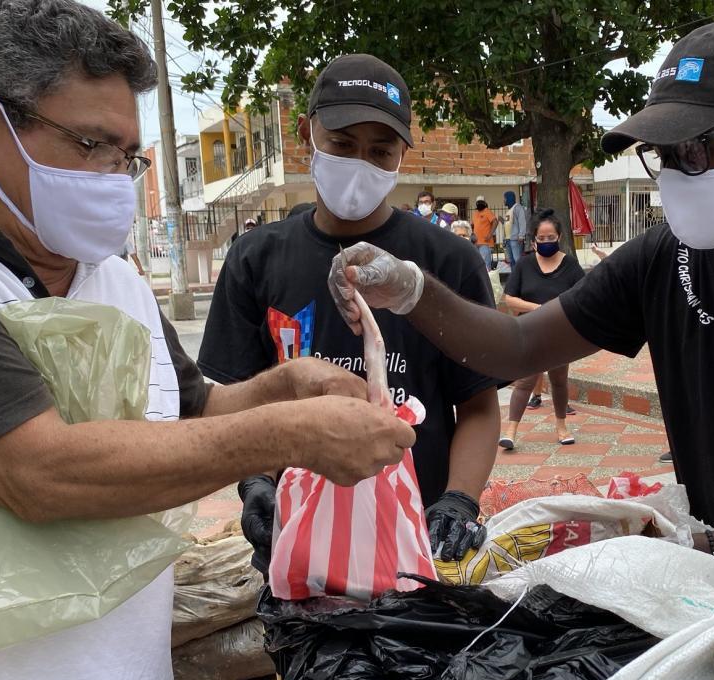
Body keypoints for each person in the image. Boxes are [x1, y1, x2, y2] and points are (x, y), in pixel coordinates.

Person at [0, 2, 414, 680]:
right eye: (93, 145)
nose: (114, 178)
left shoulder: (113, 275)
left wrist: (285, 385)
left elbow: (195, 408)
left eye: (127, 157)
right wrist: (288, 434)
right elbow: (37, 472)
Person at [330, 19, 714, 580]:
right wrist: (410, 290)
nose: (676, 173)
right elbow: (518, 345)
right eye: (664, 155)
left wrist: (704, 547)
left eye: (697, 150)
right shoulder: (666, 257)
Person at [199, 54, 501, 572]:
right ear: (306, 133)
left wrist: (458, 500)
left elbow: (477, 405)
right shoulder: (255, 259)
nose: (360, 163)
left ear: (403, 154)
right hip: (296, 541)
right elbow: (234, 401)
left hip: (415, 543)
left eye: (380, 151)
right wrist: (256, 482)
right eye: (341, 144)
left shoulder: (447, 262)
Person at [498, 209, 585, 449]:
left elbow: (582, 296)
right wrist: (539, 308)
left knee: (559, 380)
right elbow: (510, 299)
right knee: (525, 381)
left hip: (560, 333)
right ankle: (510, 431)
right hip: (530, 332)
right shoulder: (525, 264)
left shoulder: (570, 265)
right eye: (541, 238)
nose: (546, 242)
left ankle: (561, 426)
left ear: (559, 237)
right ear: (534, 239)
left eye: (551, 238)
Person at [471, 195, 497, 270]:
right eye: (478, 202)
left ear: (485, 203)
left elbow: (495, 222)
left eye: (481, 202)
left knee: (485, 265)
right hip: (476, 243)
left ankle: (487, 277)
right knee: (477, 264)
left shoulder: (487, 211)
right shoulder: (475, 213)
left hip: (485, 243)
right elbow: (473, 225)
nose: (479, 204)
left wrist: (490, 235)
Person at [504, 190, 527, 267]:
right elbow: (509, 224)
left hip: (515, 239)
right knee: (511, 261)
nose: (504, 200)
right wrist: (502, 221)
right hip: (509, 239)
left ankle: (520, 275)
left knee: (517, 261)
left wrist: (521, 235)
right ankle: (514, 274)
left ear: (509, 198)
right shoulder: (509, 210)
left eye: (505, 198)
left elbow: (522, 221)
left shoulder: (518, 208)